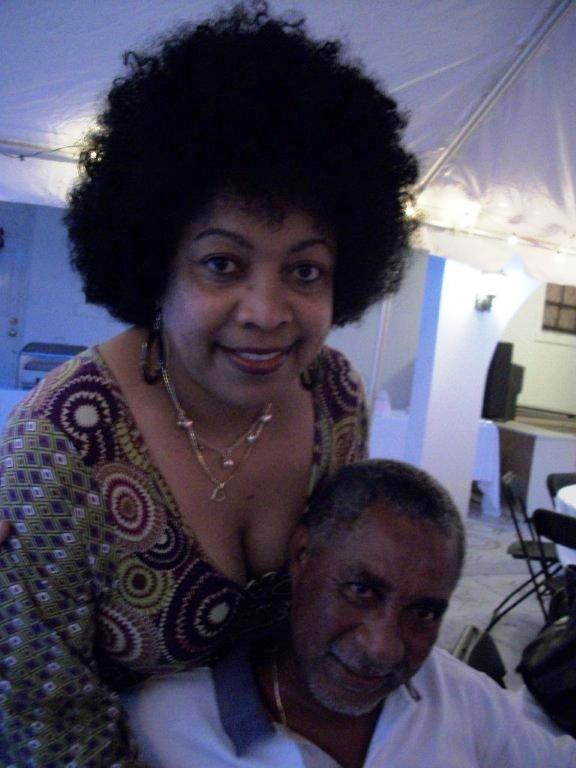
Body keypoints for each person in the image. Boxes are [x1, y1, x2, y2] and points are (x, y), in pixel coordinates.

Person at [0, 2, 418, 765]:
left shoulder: (336, 399)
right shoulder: (64, 444)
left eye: (304, 270)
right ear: (156, 263)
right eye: (223, 264)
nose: (267, 312)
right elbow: (44, 728)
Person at [125, 460, 576, 767]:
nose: (383, 647)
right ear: (302, 556)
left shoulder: (457, 696)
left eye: (423, 613)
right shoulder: (164, 726)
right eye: (361, 591)